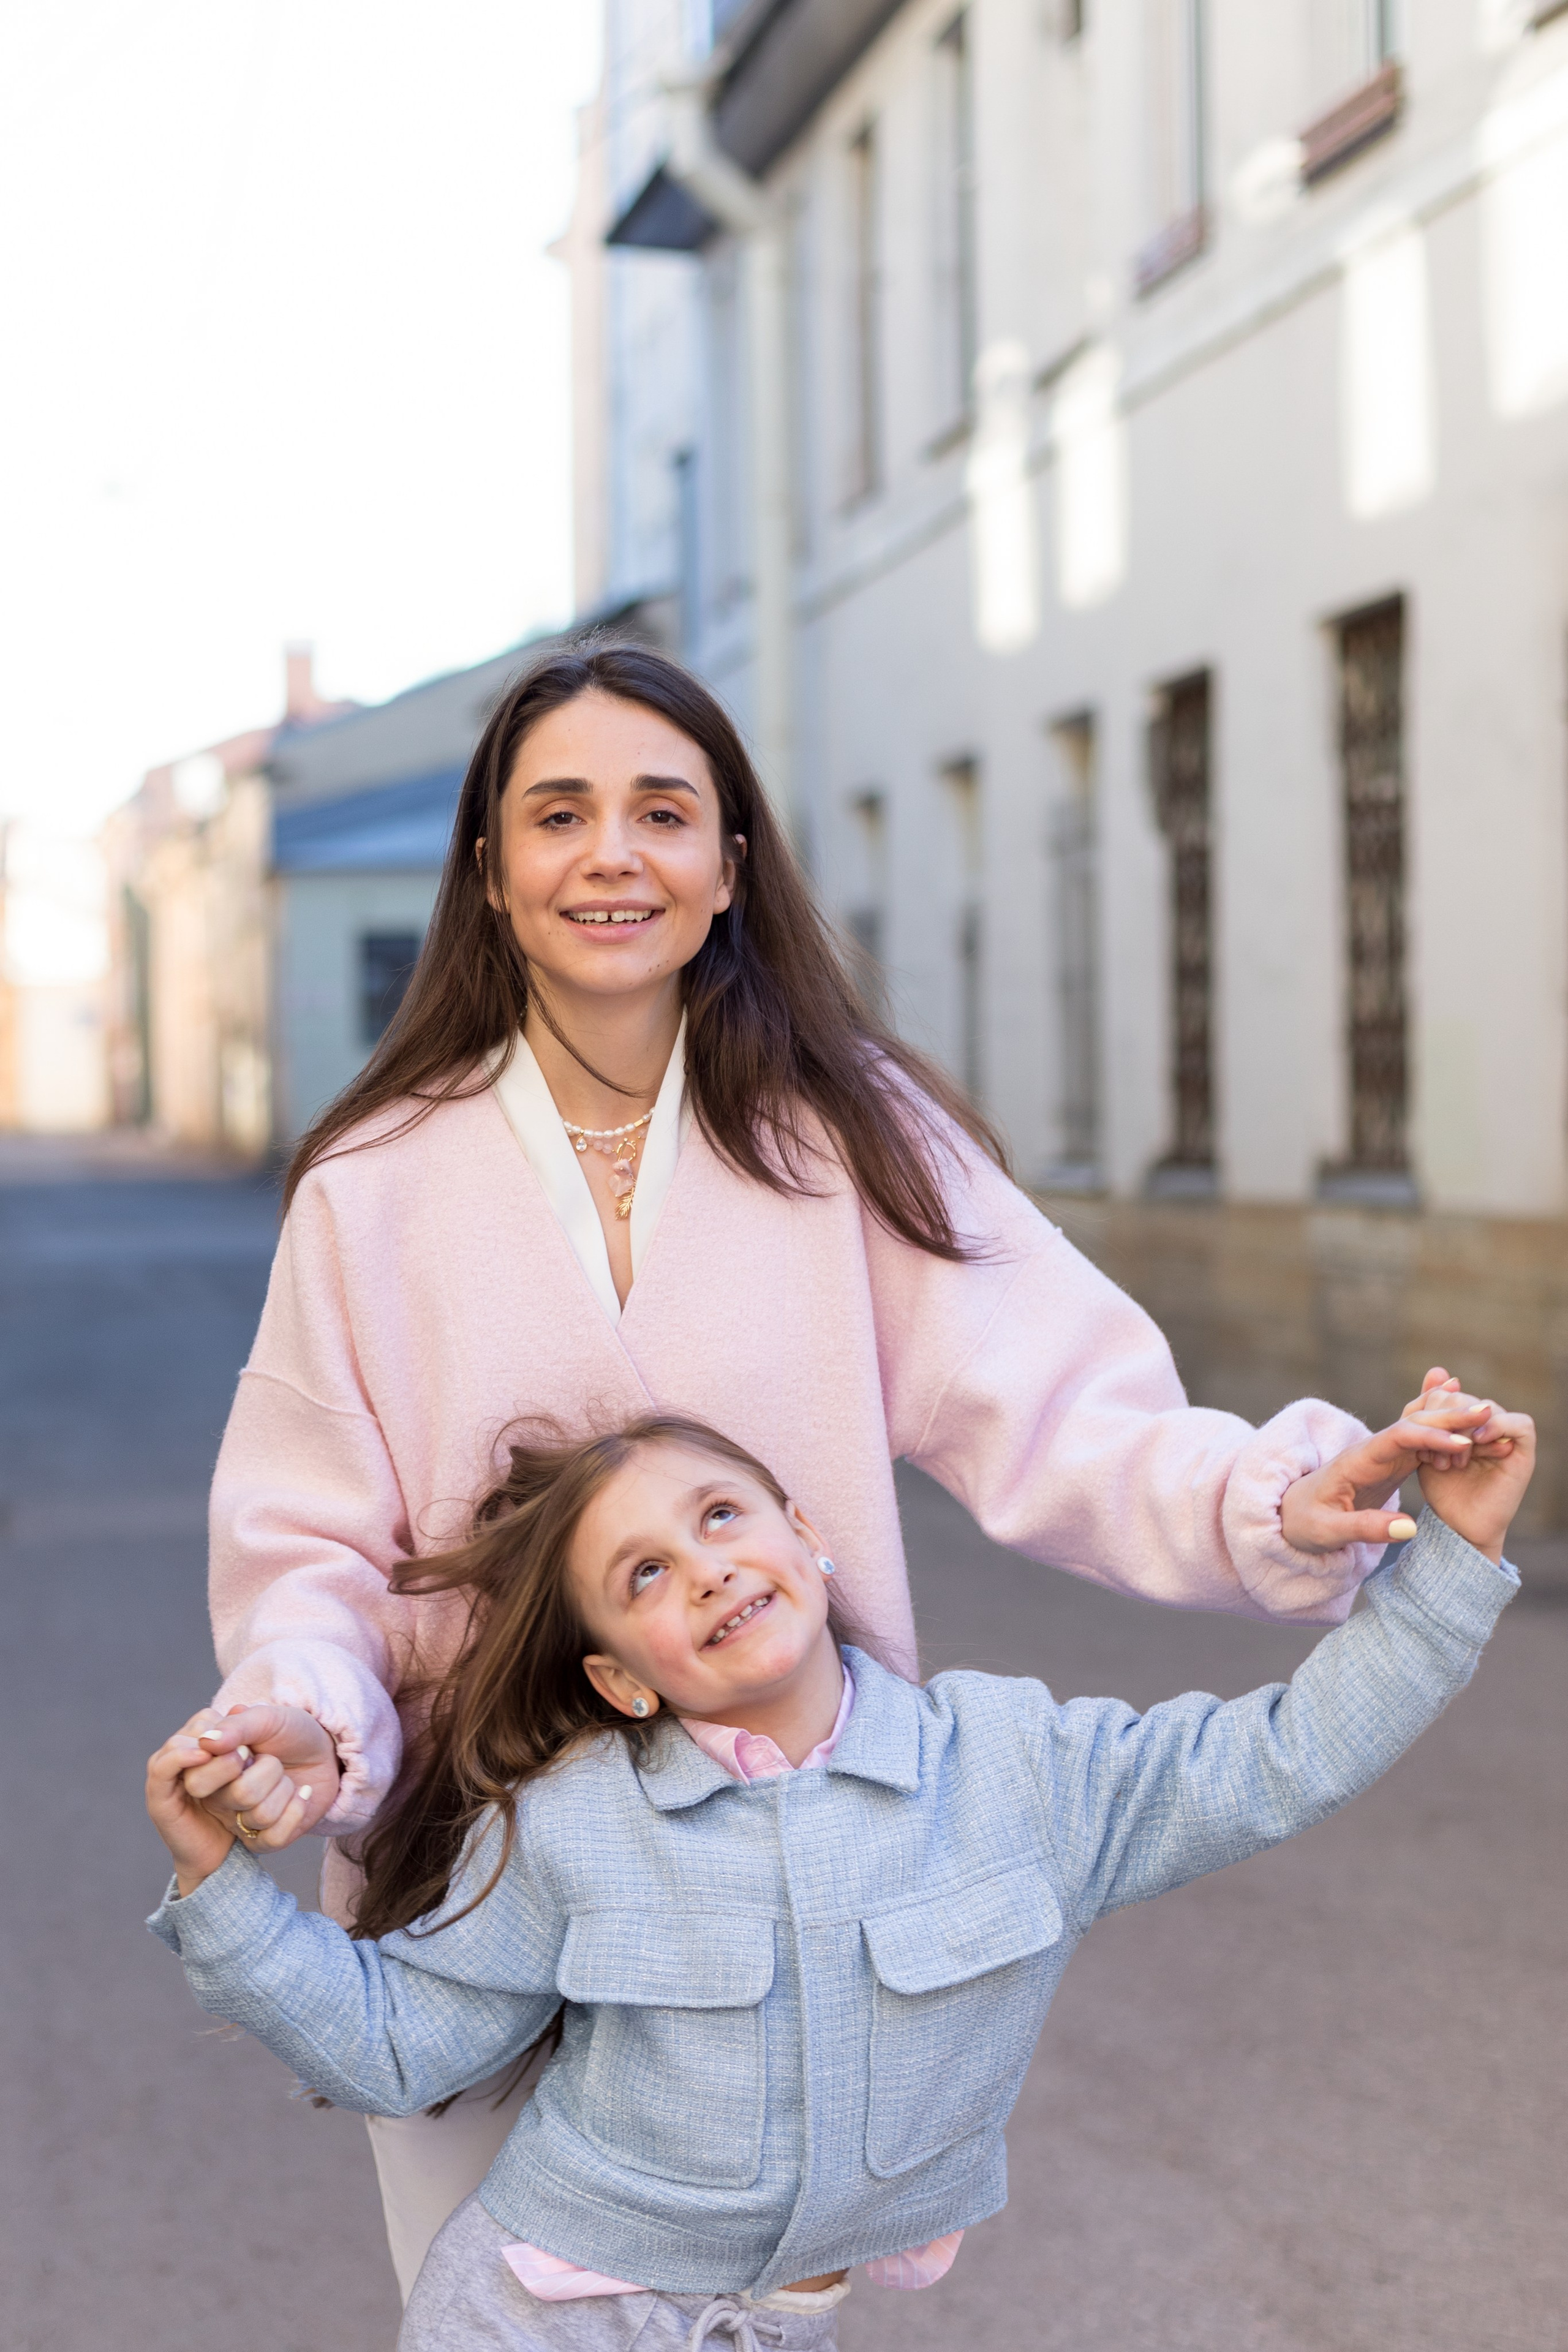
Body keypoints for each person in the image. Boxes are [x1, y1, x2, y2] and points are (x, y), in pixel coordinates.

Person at [175, 640, 1491, 2297]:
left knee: (756, 2330)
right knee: (500, 2318)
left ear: (728, 869)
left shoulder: (842, 1134)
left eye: (664, 813)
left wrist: (1265, 1502)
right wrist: (302, 1716)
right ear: (492, 874)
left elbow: (1062, 1403)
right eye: (558, 814)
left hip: (794, 1881)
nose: (612, 855)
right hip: (484, 1872)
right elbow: (310, 1540)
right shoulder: (372, 1182)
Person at [148, 1392, 1532, 2351]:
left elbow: (1281, 1758)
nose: (702, 1569)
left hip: (782, 2322)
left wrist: (1453, 1557)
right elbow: (399, 2045)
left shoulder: (1013, 1767)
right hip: (539, 2315)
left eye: (721, 1517)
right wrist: (219, 1893)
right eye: (638, 1577)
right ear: (617, 1683)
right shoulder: (575, 1823)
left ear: (806, 1535)